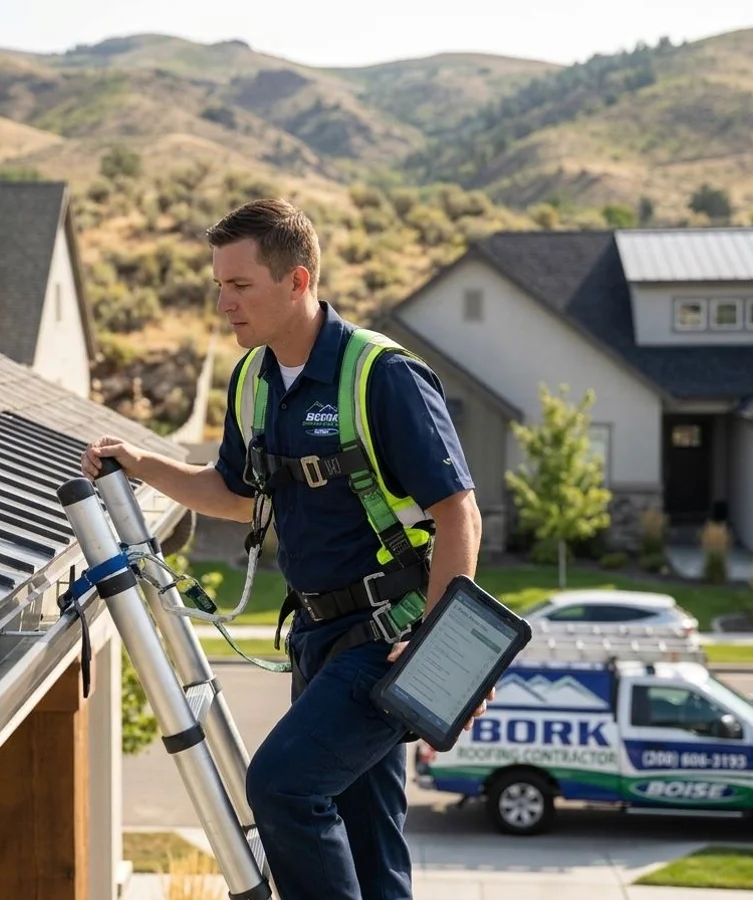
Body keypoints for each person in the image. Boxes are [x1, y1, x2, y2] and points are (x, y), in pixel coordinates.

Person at [81, 197, 489, 900]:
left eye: (240, 285)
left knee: (283, 787)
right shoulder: (254, 381)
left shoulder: (381, 375)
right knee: (367, 845)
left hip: (387, 639)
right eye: (219, 285)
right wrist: (142, 464)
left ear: (297, 280)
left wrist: (438, 645)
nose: (223, 303)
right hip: (315, 639)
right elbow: (235, 493)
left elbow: (460, 511)